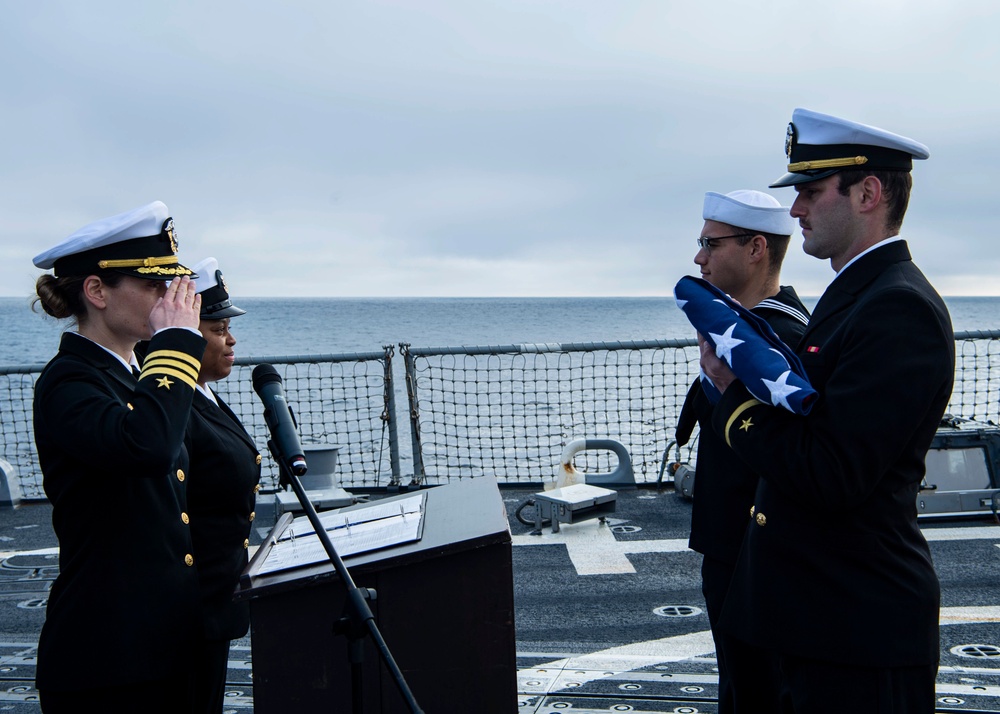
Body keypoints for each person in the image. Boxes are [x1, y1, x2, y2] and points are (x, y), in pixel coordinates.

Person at [700, 108, 954, 713]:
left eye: (811, 192)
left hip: (856, 635)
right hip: (816, 621)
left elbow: (832, 471)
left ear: (867, 193)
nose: (795, 210)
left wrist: (735, 395)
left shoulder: (898, 309)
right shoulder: (858, 297)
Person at [31, 201, 206, 713]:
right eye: (154, 285)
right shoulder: (70, 380)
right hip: (106, 659)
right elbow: (146, 446)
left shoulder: (129, 374)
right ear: (96, 290)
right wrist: (177, 342)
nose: (169, 297)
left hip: (159, 644)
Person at [675, 189, 809, 713]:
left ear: (756, 249)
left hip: (760, 559)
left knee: (760, 694)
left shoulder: (780, 343)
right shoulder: (743, 334)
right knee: (737, 687)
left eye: (711, 243)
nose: (699, 257)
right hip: (730, 550)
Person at [184, 257, 262, 713]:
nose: (230, 339)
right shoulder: (175, 408)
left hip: (216, 600)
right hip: (191, 607)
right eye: (216, 329)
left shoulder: (202, 395)